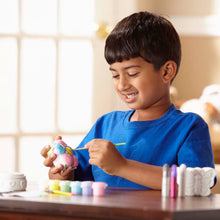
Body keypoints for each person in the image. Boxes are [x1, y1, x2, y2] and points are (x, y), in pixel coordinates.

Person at [41, 11, 215, 190]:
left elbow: (197, 184)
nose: (122, 84)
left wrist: (121, 166)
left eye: (132, 73)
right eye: (115, 75)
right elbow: (78, 179)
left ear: (166, 71)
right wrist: (63, 174)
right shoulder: (106, 125)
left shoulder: (189, 127)